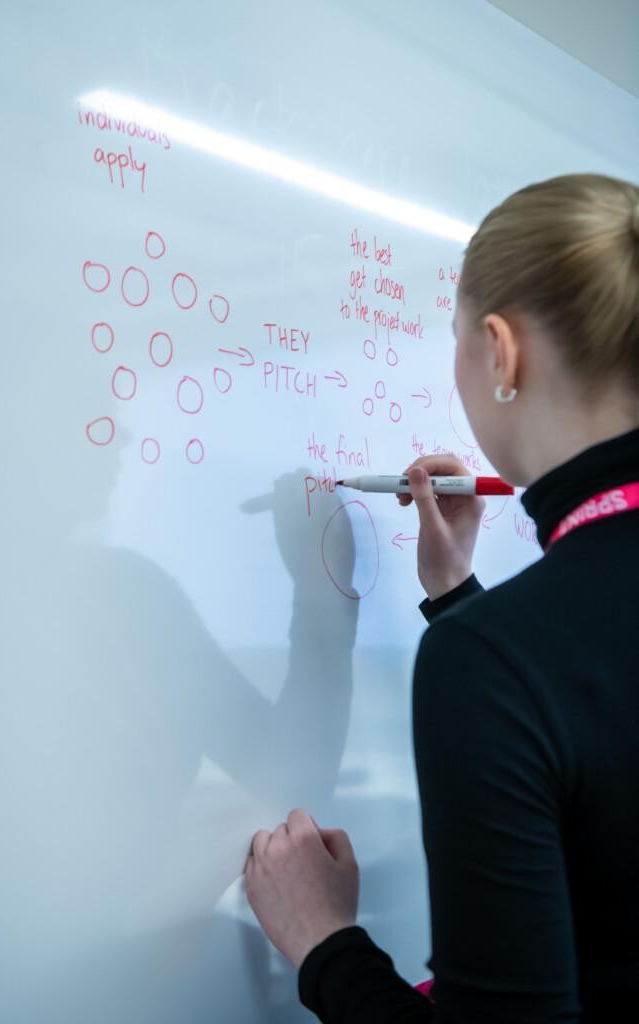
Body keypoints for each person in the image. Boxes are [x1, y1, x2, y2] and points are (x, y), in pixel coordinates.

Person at [243, 173, 639, 1023]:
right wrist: (459, 596)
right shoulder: (506, 649)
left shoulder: (494, 661)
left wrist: (324, 944)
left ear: (499, 351)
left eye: (454, 339)